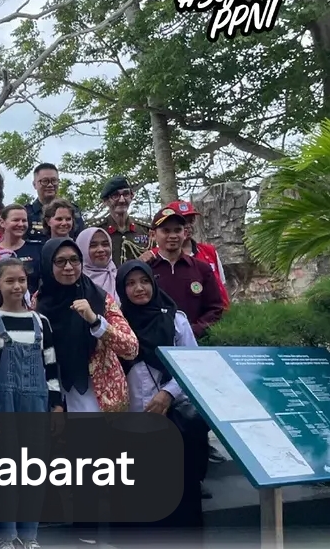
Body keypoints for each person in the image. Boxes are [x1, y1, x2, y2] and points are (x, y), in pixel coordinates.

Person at [116, 260, 206, 540]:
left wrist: (167, 395)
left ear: (153, 283)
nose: (139, 288)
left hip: (171, 416)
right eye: (130, 283)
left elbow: (193, 364)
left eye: (143, 281)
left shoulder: (174, 319)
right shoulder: (118, 323)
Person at [0, 257, 62, 549]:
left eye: (21, 281)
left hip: (37, 403)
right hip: (4, 403)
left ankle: (29, 535)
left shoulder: (40, 322)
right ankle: (4, 535)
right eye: (10, 281)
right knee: (4, 471)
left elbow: (52, 366)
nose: (17, 286)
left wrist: (56, 407)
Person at [35, 238, 138, 413]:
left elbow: (131, 348)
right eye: (60, 261)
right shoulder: (38, 302)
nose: (68, 267)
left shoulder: (99, 298)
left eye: (74, 260)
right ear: (47, 264)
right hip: (51, 394)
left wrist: (96, 322)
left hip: (98, 395)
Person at [144, 205, 225, 339]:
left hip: (195, 342)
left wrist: (193, 331)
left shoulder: (201, 269)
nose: (173, 236)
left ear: (185, 233)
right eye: (166, 231)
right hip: (155, 343)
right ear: (153, 235)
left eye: (177, 230)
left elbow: (215, 308)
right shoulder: (145, 270)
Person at [148, 200, 230, 307]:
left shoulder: (209, 251)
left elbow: (222, 285)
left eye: (191, 220)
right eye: (183, 220)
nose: (188, 225)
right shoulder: (152, 257)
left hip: (215, 318)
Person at [92, 176, 150, 265]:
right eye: (115, 196)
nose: (122, 200)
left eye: (126, 194)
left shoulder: (145, 230)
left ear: (132, 197)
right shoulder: (96, 231)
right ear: (106, 201)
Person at [25, 163, 85, 241]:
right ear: (34, 184)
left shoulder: (73, 210)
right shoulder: (26, 214)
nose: (50, 185)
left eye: (54, 180)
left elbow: (81, 239)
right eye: (45, 181)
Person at [0, 204, 43, 294]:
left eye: (24, 220)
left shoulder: (38, 248)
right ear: (2, 222)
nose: (21, 224)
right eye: (15, 220)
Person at [77, 227, 119, 304]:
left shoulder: (119, 276)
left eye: (105, 244)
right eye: (93, 245)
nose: (101, 249)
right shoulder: (78, 283)